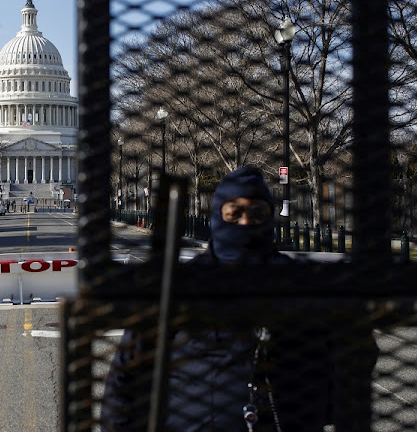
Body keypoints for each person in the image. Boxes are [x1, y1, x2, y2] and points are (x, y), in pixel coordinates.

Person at [101, 166, 378, 431]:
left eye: (257, 213)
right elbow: (125, 375)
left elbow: (355, 355)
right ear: (218, 217)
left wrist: (317, 408)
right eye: (235, 213)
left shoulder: (304, 283)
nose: (246, 222)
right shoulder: (181, 285)